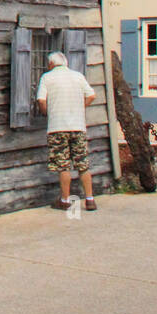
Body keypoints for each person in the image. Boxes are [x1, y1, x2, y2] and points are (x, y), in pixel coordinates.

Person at [36, 50, 97, 211]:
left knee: (63, 165)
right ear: (65, 63)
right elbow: (91, 95)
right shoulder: (78, 76)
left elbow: (41, 101)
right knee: (82, 164)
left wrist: (47, 112)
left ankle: (65, 200)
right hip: (78, 126)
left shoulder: (47, 78)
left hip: (58, 127)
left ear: (51, 64)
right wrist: (79, 107)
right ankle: (90, 199)